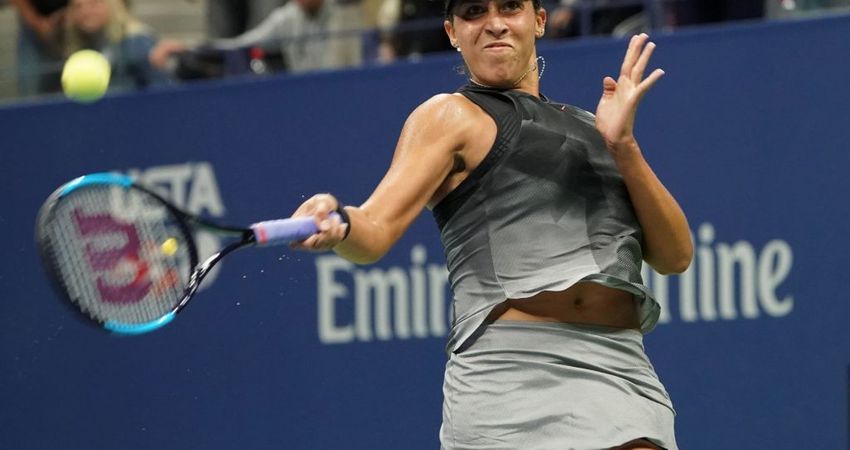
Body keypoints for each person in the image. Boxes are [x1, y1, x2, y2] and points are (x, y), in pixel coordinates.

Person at [290, 0, 693, 447]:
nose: (494, 24)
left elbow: (675, 256)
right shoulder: (449, 116)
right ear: (452, 32)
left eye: (510, 7)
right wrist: (341, 223)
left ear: (538, 21)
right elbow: (376, 228)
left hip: (620, 369)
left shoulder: (597, 127)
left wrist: (624, 147)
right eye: (475, 12)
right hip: (510, 376)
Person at [211, 0, 363, 74]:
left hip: (338, 90)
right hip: (300, 92)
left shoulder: (343, 13)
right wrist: (205, 47)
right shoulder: (287, 16)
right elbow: (245, 42)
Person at [62, 0, 183, 91]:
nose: (85, 11)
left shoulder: (137, 42)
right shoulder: (79, 50)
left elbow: (161, 88)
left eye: (94, 3)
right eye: (78, 6)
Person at [10, 0, 68, 95]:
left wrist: (71, 13)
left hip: (75, 26)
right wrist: (37, 23)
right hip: (34, 31)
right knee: (31, 94)